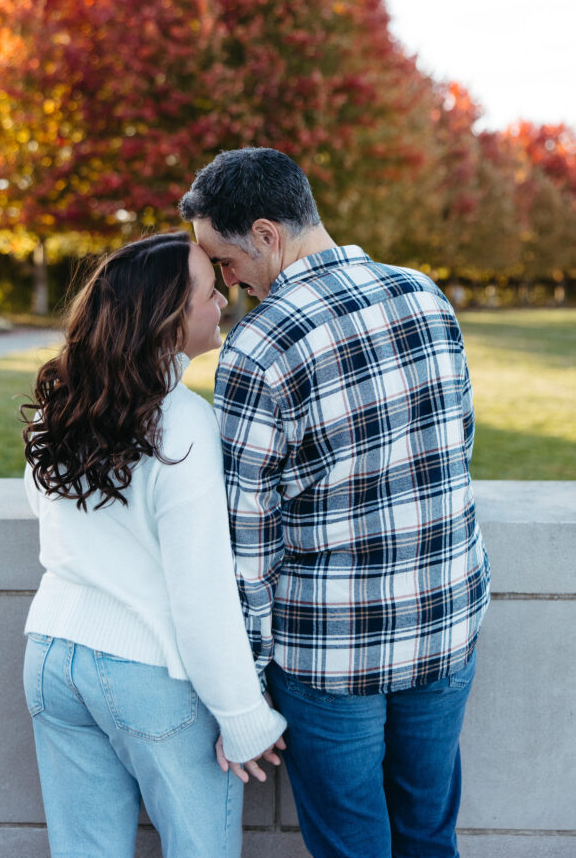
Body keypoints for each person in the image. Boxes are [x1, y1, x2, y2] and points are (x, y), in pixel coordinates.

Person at [179, 147, 491, 858]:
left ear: (265, 234)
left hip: (331, 655)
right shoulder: (422, 293)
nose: (226, 285)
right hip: (444, 625)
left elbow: (246, 542)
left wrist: (249, 684)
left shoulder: (259, 346)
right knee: (428, 834)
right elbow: (457, 445)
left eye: (224, 260)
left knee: (353, 846)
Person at [20, 232, 286, 858]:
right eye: (205, 290)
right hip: (147, 673)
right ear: (166, 318)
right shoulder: (184, 423)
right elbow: (200, 590)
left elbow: (44, 507)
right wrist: (243, 715)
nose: (221, 297)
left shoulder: (58, 407)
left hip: (51, 660)